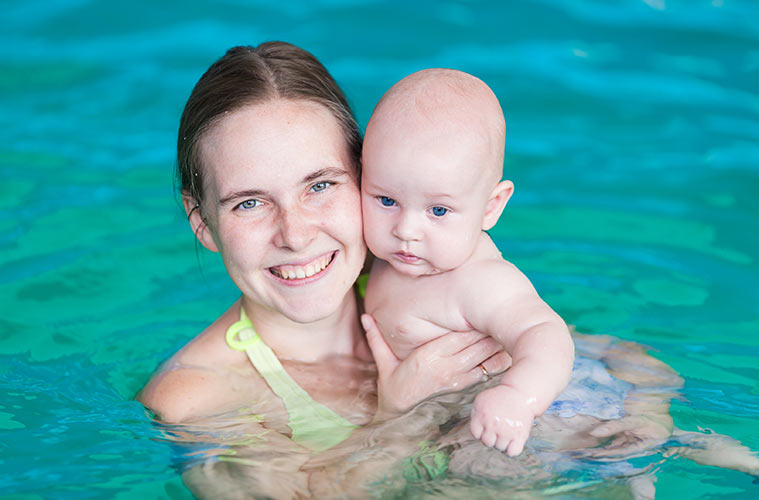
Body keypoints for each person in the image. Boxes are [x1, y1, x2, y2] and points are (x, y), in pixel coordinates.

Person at [137, 41, 511, 496]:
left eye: (320, 185)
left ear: (368, 180)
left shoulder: (423, 275)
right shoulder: (197, 400)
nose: (294, 235)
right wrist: (398, 419)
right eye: (250, 203)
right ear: (203, 224)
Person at [361, 68, 575, 457]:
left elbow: (546, 334)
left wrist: (518, 397)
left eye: (438, 210)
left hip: (513, 424)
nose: (406, 229)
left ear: (491, 207)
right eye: (386, 200)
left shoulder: (480, 280)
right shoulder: (377, 254)